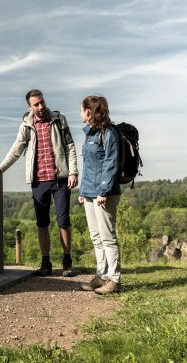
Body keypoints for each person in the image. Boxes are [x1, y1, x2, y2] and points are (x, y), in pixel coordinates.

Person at [0, 89, 79, 277]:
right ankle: (46, 263)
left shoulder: (59, 120)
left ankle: (67, 261)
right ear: (30, 107)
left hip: (60, 178)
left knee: (63, 221)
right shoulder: (27, 125)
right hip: (39, 181)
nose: (41, 106)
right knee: (42, 223)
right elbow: (16, 150)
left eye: (42, 102)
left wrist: (73, 172)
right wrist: (0, 168)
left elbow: (70, 146)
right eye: (36, 104)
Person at [78, 95, 122, 295]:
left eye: (81, 110)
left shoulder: (109, 133)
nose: (80, 113)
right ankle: (101, 275)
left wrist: (102, 191)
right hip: (89, 193)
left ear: (89, 112)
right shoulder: (89, 134)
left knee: (107, 237)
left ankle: (114, 279)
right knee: (96, 237)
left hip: (104, 194)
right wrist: (82, 191)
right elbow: (89, 166)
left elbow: (110, 164)